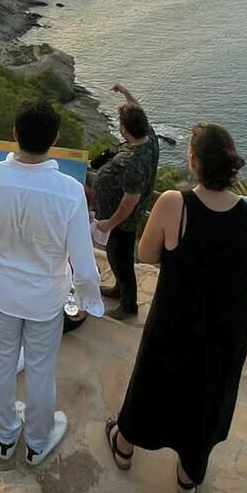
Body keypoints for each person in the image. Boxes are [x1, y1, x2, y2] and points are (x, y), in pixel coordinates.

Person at [106, 122, 247, 493]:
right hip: (227, 325)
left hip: (176, 317)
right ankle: (188, 477)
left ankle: (124, 446)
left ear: (193, 162)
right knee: (209, 393)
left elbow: (146, 253)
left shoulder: (174, 202)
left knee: (152, 380)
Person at [0, 100, 102, 467]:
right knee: (39, 369)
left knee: (1, 364)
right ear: (55, 138)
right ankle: (37, 440)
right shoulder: (69, 191)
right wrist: (88, 301)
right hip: (45, 300)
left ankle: (5, 436)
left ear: (15, 135)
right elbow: (83, 262)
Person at [92, 82, 161, 322]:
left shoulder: (134, 162)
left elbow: (129, 202)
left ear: (124, 130)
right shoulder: (149, 139)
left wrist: (109, 223)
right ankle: (119, 289)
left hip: (124, 220)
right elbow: (137, 110)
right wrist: (124, 93)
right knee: (117, 257)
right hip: (126, 218)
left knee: (120, 259)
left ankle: (128, 304)